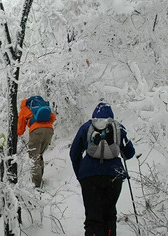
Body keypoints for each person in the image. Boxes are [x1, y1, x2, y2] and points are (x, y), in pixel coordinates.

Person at [70, 102, 135, 236]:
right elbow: (129, 153)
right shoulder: (118, 128)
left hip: (89, 177)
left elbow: (74, 153)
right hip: (113, 176)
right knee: (109, 215)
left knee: (93, 218)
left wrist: (80, 174)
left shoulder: (86, 127)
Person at [17, 96, 56, 188]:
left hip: (36, 131)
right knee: (40, 155)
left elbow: (20, 131)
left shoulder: (24, 109)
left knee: (34, 157)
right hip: (49, 130)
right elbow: (53, 117)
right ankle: (40, 179)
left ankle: (37, 184)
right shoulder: (40, 105)